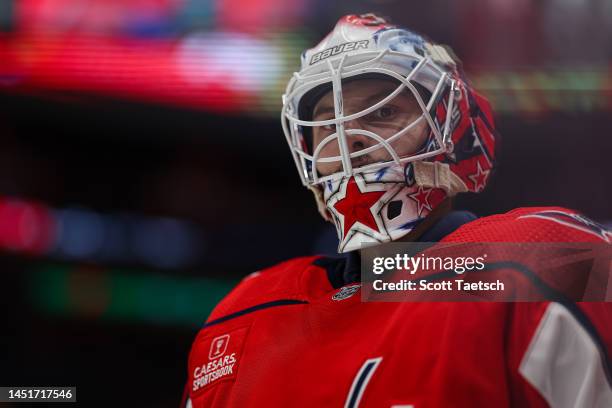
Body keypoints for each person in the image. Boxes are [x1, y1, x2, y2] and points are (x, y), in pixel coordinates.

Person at [182, 14, 612, 407]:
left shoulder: (547, 259)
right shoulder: (242, 314)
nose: (348, 139)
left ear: (454, 129)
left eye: (383, 111)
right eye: (327, 124)